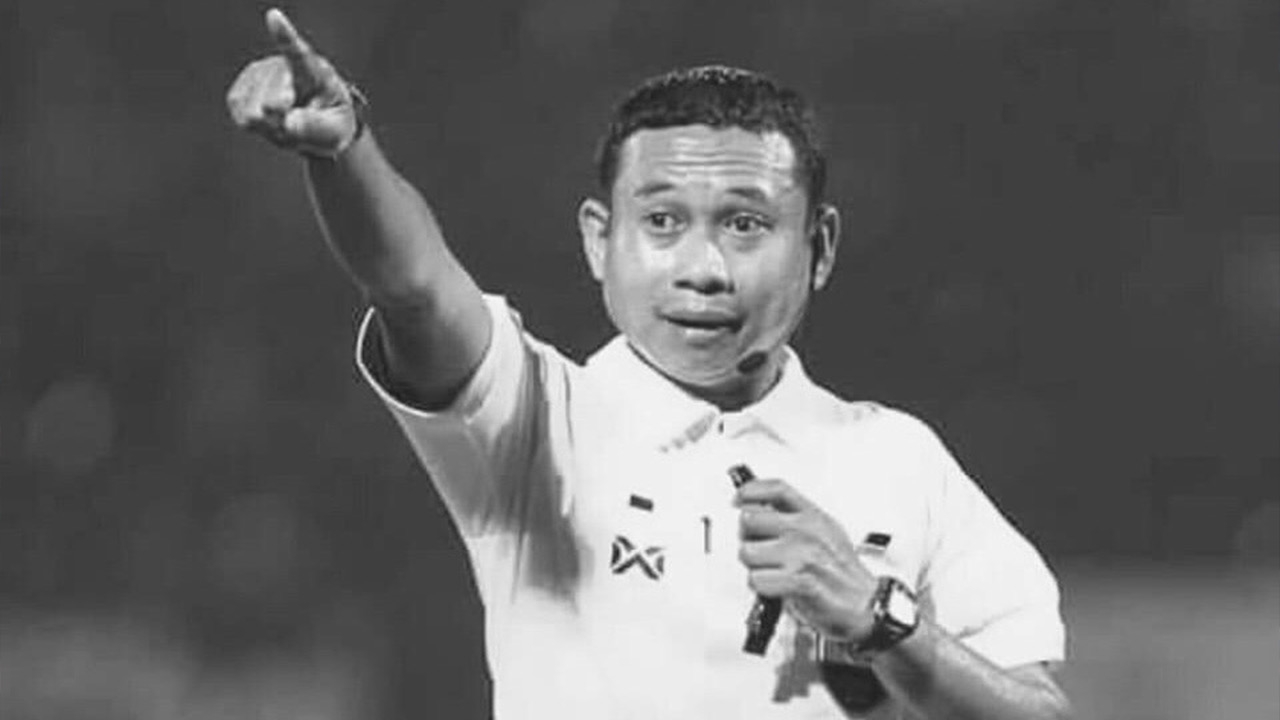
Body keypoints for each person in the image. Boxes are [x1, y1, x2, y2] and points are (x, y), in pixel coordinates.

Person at [226, 9, 1072, 719]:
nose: (703, 268)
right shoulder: (536, 420)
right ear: (600, 240)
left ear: (819, 247)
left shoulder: (898, 459)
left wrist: (882, 620)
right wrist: (343, 151)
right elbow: (413, 288)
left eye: (745, 225)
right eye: (662, 222)